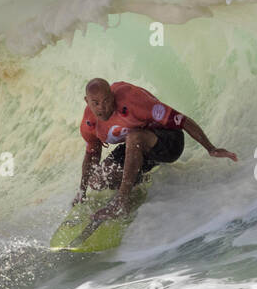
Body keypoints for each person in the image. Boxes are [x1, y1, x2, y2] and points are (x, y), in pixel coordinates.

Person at [73, 77, 236, 229]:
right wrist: (82, 190)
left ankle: (121, 201)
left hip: (169, 142)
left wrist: (211, 148)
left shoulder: (133, 100)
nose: (102, 107)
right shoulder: (89, 123)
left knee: (134, 137)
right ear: (87, 101)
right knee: (98, 180)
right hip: (139, 149)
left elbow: (181, 120)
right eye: (96, 103)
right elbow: (92, 154)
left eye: (106, 101)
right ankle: (137, 180)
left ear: (112, 95)